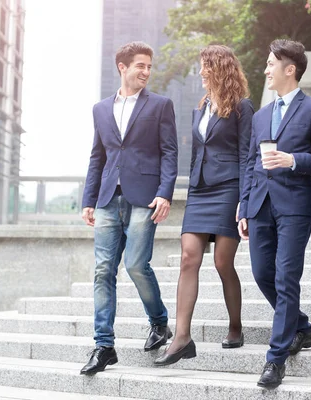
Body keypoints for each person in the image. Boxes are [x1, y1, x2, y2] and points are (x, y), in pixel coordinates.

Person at [238, 39, 311, 389]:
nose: (265, 69)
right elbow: (251, 162)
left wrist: (294, 161)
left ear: (289, 69)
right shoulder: (261, 115)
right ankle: (302, 327)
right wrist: (243, 205)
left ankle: (275, 360)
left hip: (295, 207)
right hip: (260, 205)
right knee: (263, 272)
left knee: (285, 277)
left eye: (270, 64)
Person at [79, 41, 178, 375]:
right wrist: (88, 199)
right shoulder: (101, 109)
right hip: (108, 198)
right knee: (103, 270)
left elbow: (170, 152)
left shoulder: (161, 105)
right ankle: (104, 345)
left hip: (145, 196)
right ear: (122, 67)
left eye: (149, 66)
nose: (146, 72)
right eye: (140, 66)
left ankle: (160, 322)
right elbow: (98, 156)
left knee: (136, 265)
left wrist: (166, 193)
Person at [154, 45, 253, 367]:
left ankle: (235, 325)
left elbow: (246, 156)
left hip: (228, 189)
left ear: (219, 68)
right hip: (200, 191)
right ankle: (182, 337)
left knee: (223, 263)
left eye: (204, 66)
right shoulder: (201, 107)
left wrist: (245, 200)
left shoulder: (242, 107)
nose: (200, 72)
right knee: (187, 258)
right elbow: (197, 151)